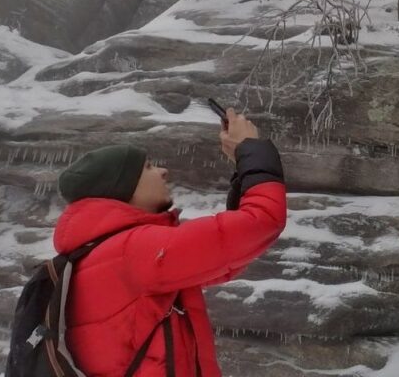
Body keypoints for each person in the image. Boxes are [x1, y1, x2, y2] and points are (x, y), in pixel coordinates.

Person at [51, 108, 286, 377]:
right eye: (148, 167)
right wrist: (252, 149)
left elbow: (229, 258)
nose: (163, 171)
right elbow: (262, 221)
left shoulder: (99, 253)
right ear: (121, 188)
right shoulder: (133, 251)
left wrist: (244, 171)